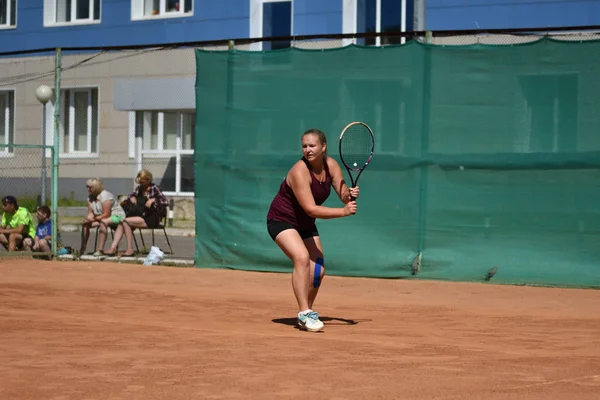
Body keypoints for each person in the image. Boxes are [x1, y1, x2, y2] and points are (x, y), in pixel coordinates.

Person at [266, 128, 359, 332]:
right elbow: (310, 208)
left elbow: (342, 193)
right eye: (304, 146)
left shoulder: (331, 165)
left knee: (318, 271)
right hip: (281, 220)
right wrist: (343, 212)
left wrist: (349, 195)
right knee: (301, 258)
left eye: (312, 145)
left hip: (305, 224)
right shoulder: (299, 171)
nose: (307, 149)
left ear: (323, 147)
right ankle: (304, 312)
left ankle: (307, 311)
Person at [106, 169, 169, 257]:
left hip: (151, 217)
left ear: (148, 180)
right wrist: (132, 197)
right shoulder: (139, 188)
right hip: (140, 215)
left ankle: (129, 249)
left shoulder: (154, 188)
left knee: (126, 221)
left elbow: (165, 201)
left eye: (143, 182)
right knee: (121, 222)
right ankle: (113, 248)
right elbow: (131, 195)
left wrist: (153, 199)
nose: (141, 184)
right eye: (140, 182)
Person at [80, 178, 126, 256]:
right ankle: (83, 249)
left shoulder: (105, 195)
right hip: (101, 217)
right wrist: (88, 219)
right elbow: (90, 213)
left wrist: (94, 219)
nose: (88, 189)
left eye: (90, 187)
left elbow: (106, 214)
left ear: (96, 187)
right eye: (87, 186)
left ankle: (100, 250)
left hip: (116, 216)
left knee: (103, 222)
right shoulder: (90, 197)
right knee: (85, 224)